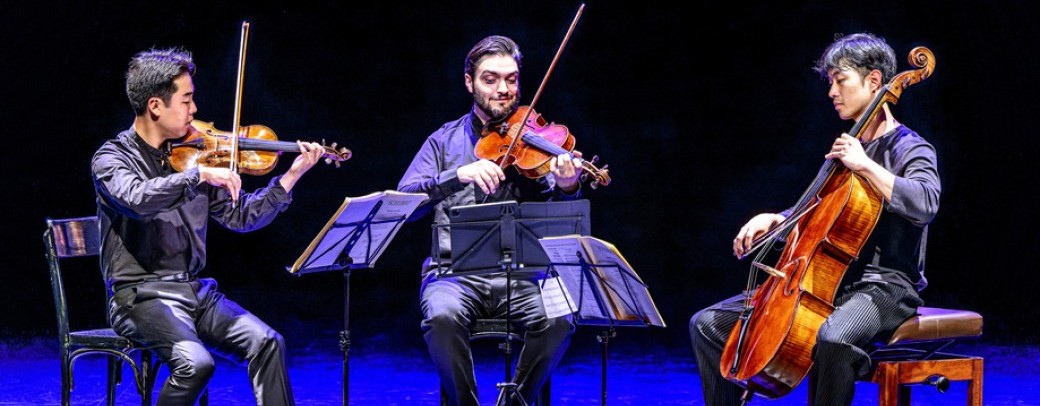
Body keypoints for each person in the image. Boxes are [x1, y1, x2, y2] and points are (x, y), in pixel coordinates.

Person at [689, 33, 941, 406]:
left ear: (874, 81)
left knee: (834, 337)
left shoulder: (910, 147)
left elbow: (925, 203)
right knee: (707, 325)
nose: (832, 92)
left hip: (884, 286)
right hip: (825, 283)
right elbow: (818, 209)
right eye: (830, 83)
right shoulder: (846, 149)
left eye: (840, 80)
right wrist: (776, 219)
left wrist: (866, 165)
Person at [92, 47, 326, 405]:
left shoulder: (195, 154)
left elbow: (241, 216)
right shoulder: (111, 159)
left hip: (194, 293)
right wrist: (197, 174)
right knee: (196, 364)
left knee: (267, 343)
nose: (195, 110)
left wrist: (290, 177)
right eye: (187, 100)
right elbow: (137, 198)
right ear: (155, 105)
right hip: (139, 299)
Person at [397, 35, 584, 406]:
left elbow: (560, 217)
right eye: (490, 79)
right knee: (442, 317)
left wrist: (567, 185)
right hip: (452, 274)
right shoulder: (442, 142)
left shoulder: (535, 140)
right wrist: (457, 175)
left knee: (562, 316)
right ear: (470, 82)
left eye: (511, 79)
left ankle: (515, 402)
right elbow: (404, 202)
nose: (503, 90)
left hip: (524, 274)